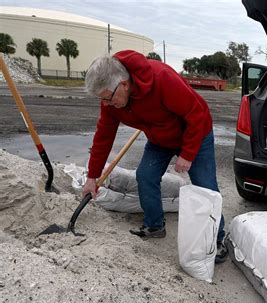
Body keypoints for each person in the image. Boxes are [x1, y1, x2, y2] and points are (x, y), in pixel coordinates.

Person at [83, 50, 227, 263]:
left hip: (194, 131)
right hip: (160, 138)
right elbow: (103, 135)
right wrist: (92, 176)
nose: (105, 104)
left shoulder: (161, 78)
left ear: (123, 84)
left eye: (107, 98)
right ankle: (154, 225)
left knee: (205, 186)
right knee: (145, 176)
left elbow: (197, 113)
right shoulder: (112, 100)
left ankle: (217, 238)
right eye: (101, 100)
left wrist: (187, 153)